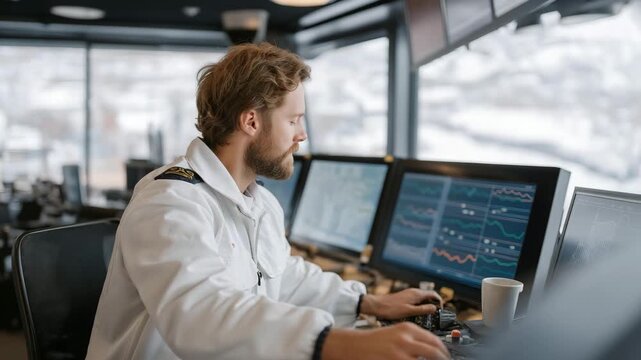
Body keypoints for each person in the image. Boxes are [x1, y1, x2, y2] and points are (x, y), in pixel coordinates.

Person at [86, 42, 449, 360]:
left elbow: (282, 277)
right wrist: (330, 343)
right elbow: (199, 314)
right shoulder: (170, 203)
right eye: (293, 121)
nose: (302, 135)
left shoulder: (258, 203)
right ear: (251, 122)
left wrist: (365, 302)